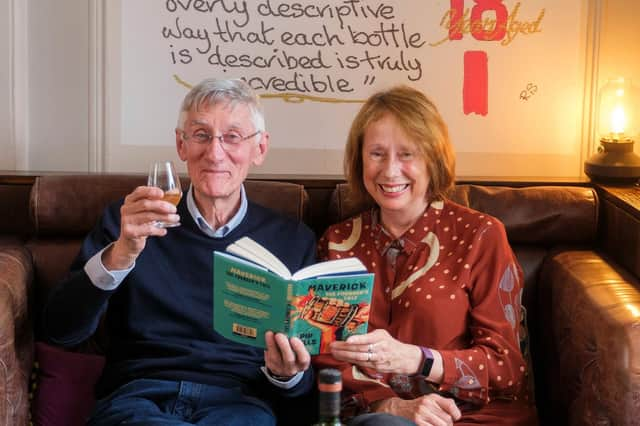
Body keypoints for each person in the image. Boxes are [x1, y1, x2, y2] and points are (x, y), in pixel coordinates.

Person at [42, 78, 316, 426]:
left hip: (239, 404)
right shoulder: (129, 222)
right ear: (181, 144)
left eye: (232, 137)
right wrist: (120, 256)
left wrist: (286, 374)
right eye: (201, 134)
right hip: (138, 397)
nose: (215, 153)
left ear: (259, 149)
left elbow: (306, 385)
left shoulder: (293, 240)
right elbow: (60, 330)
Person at [315, 85, 538, 425]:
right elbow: (327, 357)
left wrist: (418, 359)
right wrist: (387, 405)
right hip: (376, 417)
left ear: (433, 159)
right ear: (359, 159)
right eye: (376, 153)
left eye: (407, 154)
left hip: (468, 416)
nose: (390, 171)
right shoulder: (338, 242)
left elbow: (506, 365)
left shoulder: (481, 235)